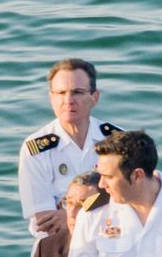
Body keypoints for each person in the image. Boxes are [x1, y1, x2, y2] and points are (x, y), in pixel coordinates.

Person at [17, 59, 120, 238]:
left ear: (94, 97)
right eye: (61, 93)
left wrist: (68, 215)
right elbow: (45, 222)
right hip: (57, 248)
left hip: (112, 243)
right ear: (51, 98)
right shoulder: (35, 149)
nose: (68, 100)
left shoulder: (119, 142)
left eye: (77, 92)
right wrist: (101, 210)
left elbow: (133, 204)